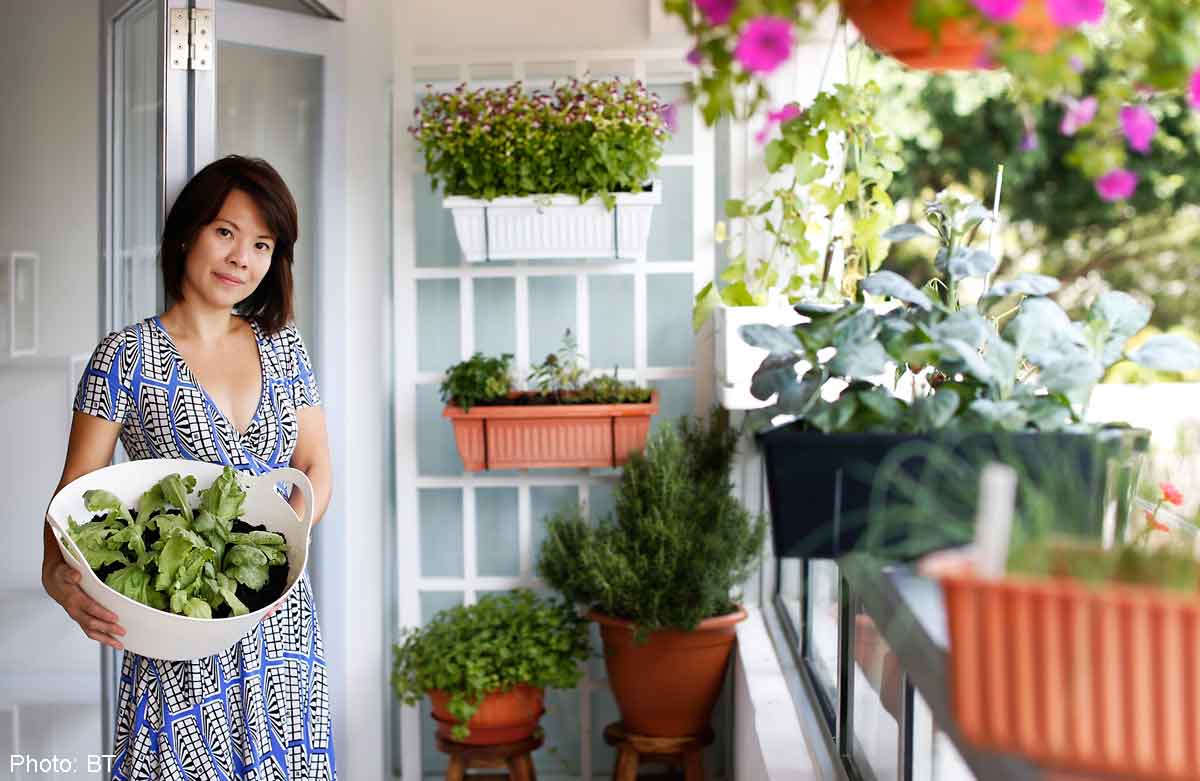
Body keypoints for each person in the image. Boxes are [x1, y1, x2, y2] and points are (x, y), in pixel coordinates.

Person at [40, 155, 337, 780]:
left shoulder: (284, 346)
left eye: (261, 244)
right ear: (186, 233)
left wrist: (285, 540)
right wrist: (63, 585)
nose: (241, 258)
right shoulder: (125, 354)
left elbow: (312, 463)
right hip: (175, 622)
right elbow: (73, 494)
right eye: (225, 232)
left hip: (281, 628)